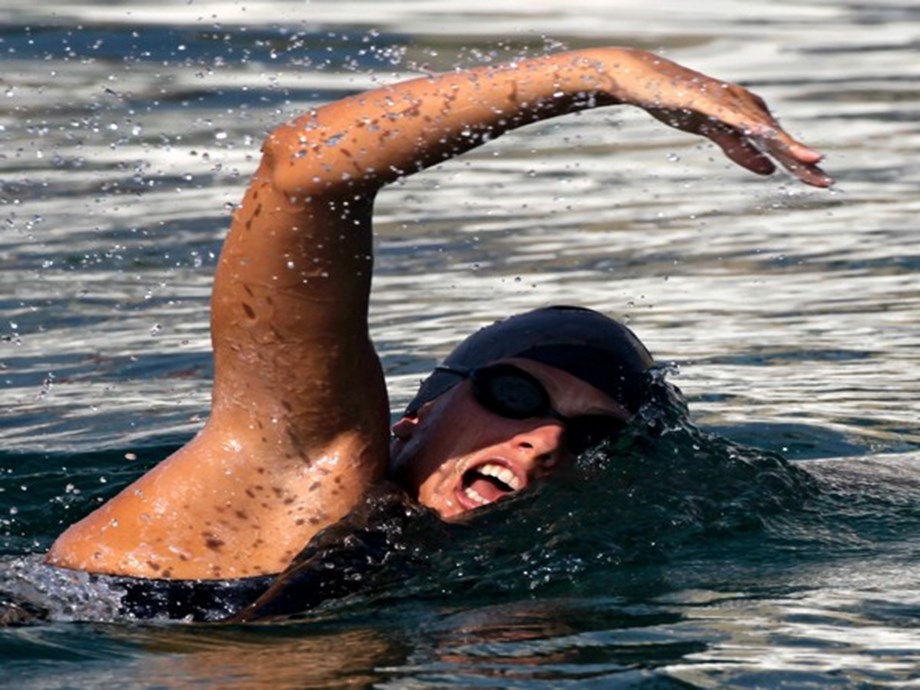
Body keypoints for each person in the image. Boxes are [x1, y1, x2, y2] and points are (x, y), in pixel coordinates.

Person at [41, 47, 830, 610]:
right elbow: (303, 171)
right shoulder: (306, 470)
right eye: (515, 394)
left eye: (589, 437)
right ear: (421, 413)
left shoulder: (477, 573)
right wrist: (601, 75)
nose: (545, 442)